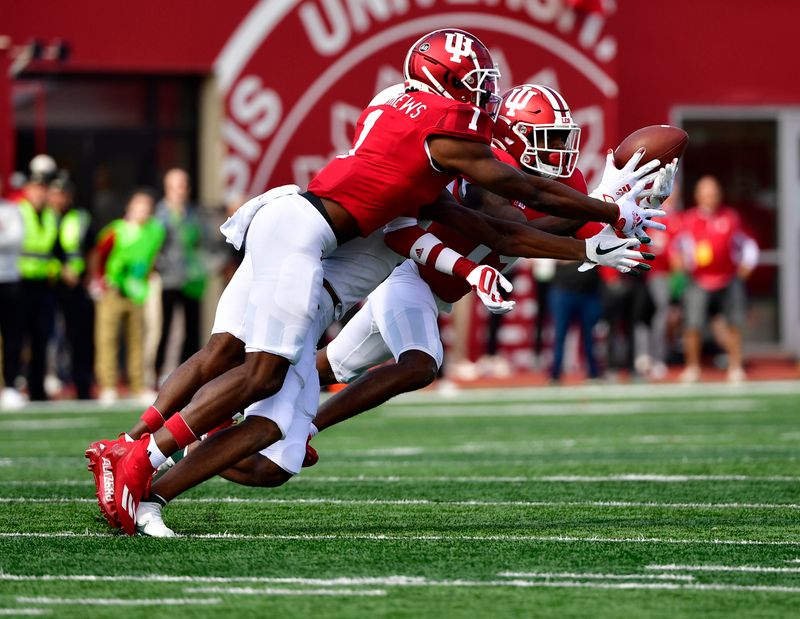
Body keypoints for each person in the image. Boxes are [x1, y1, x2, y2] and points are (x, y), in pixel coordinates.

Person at [87, 30, 664, 535]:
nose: (481, 99)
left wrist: (605, 214)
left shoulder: (404, 125)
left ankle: (145, 462)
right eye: (472, 87)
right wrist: (600, 220)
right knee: (263, 374)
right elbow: (503, 220)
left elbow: (486, 217)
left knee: (245, 388)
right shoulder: (446, 144)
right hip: (305, 238)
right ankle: (140, 458)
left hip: (291, 223)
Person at [672, 175, 758, 383]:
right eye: (705, 193)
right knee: (693, 324)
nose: (709, 197)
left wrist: (748, 264)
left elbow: (748, 243)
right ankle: (693, 368)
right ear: (698, 196)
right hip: (698, 280)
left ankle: (735, 366)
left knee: (734, 323)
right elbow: (676, 246)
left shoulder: (730, 217)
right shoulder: (689, 219)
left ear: (719, 195)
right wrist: (679, 263)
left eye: (713, 193)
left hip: (728, 278)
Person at [91, 190, 165, 403]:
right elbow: (99, 254)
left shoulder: (153, 231)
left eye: (146, 207)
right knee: (107, 337)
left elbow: (152, 257)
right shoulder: (116, 230)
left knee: (137, 339)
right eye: (138, 206)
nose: (142, 212)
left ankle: (138, 384)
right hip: (114, 289)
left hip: (136, 290)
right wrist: (99, 279)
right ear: (129, 208)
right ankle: (107, 384)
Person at [154, 168, 207, 382]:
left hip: (191, 279)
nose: (180, 191)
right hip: (169, 278)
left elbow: (200, 243)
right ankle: (158, 372)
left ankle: (188, 373)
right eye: (175, 186)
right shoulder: (160, 215)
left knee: (192, 328)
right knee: (165, 326)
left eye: (183, 186)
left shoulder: (192, 214)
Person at [50, 172, 95, 399]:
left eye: (63, 193)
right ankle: (48, 382)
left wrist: (89, 277)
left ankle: (82, 386)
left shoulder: (80, 217)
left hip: (76, 286)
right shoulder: (45, 216)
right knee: (48, 336)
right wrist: (60, 269)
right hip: (49, 284)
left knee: (79, 338)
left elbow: (91, 247)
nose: (60, 198)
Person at [17, 169, 60, 401]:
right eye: (36, 189)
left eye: (43, 189)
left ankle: (37, 388)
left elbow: (55, 251)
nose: (39, 193)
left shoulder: (51, 216)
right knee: (16, 338)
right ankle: (12, 386)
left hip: (44, 285)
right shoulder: (18, 212)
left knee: (41, 337)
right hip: (21, 283)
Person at [0, 182, 25, 409]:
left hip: (9, 279)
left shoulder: (11, 209)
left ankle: (9, 386)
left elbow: (16, 239)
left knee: (12, 337)